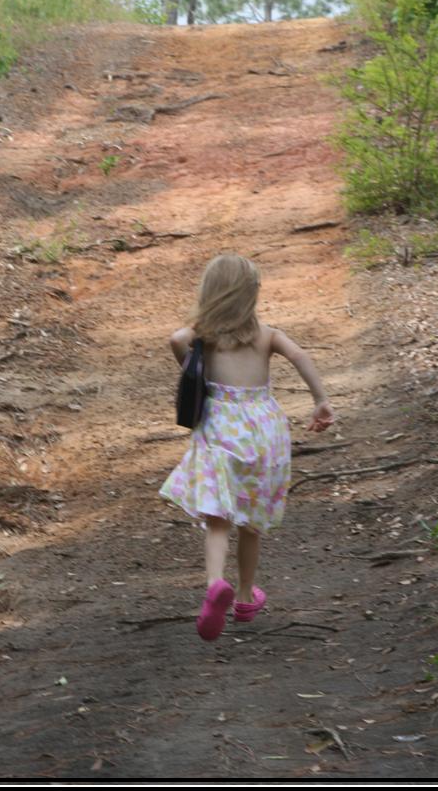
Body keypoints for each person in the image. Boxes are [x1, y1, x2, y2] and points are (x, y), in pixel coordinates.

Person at [160, 254, 335, 640]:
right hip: (264, 430)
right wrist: (320, 399)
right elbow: (300, 355)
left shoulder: (203, 337)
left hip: (220, 426)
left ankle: (214, 586)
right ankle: (243, 596)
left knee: (218, 517)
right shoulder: (267, 334)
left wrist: (190, 365)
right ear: (251, 295)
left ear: (211, 294)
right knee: (251, 523)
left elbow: (176, 339)